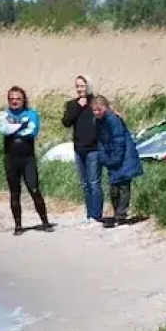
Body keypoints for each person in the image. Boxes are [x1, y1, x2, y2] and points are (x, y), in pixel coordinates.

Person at [0, 85, 53, 235]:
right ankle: (18, 226)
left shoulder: (31, 114)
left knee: (34, 189)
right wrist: (22, 125)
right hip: (11, 159)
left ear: (24, 100)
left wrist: (14, 129)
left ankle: (45, 222)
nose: (14, 101)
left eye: (18, 99)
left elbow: (32, 131)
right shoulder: (3, 114)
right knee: (14, 193)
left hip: (28, 159)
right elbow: (4, 129)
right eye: (11, 99)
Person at [91, 95, 144, 228]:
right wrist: (103, 157)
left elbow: (119, 140)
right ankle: (116, 214)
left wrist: (115, 158)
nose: (96, 112)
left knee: (123, 186)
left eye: (99, 109)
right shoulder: (98, 121)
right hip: (111, 157)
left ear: (105, 108)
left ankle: (121, 215)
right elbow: (100, 141)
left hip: (124, 157)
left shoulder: (113, 119)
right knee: (114, 187)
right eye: (94, 110)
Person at [61, 74, 105, 222]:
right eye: (77, 86)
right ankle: (89, 214)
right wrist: (78, 107)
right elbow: (66, 122)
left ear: (88, 86)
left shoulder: (96, 102)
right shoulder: (72, 104)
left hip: (94, 148)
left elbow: (104, 118)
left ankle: (96, 216)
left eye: (82, 86)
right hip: (79, 149)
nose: (80, 89)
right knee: (85, 184)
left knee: (94, 183)